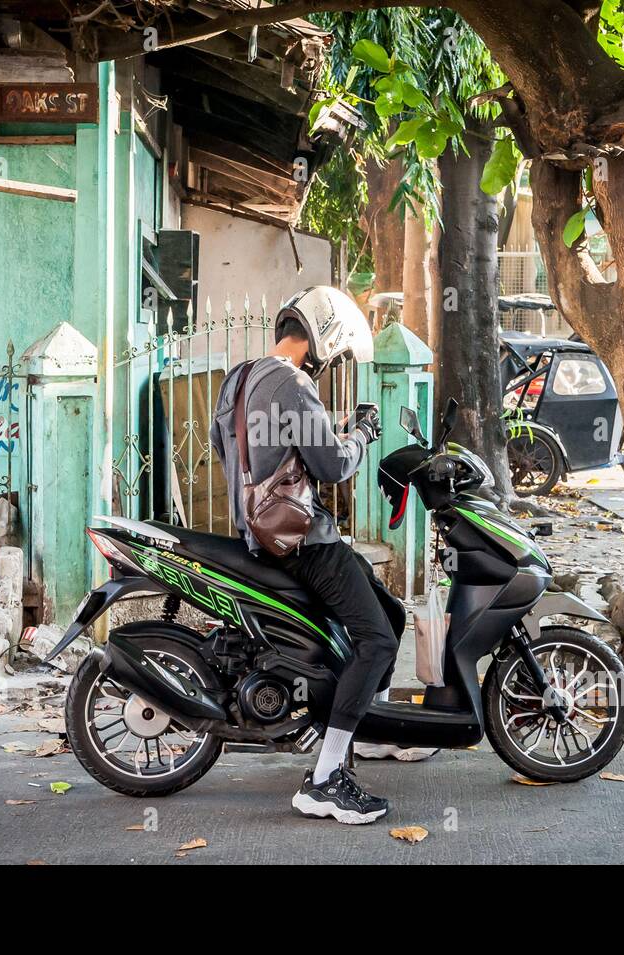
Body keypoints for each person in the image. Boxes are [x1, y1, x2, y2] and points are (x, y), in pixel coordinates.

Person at [209, 286, 396, 825]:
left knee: (389, 611)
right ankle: (325, 779)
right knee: (378, 639)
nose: (328, 363)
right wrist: (360, 433)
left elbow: (230, 451)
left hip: (256, 536)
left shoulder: (238, 378)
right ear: (322, 339)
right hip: (304, 543)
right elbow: (334, 465)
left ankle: (368, 729)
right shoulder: (293, 383)